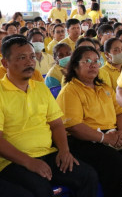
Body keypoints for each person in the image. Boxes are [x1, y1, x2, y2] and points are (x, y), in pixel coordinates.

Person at [0, 37, 98, 197]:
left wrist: (64, 151)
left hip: (48, 154)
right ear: (5, 64)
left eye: (32, 57)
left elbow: (57, 124)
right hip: (13, 161)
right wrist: (29, 162)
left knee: (88, 175)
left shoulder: (40, 88)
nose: (29, 62)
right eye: (21, 58)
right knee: (41, 189)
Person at [56, 46, 122, 197]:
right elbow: (75, 127)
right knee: (117, 164)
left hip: (112, 134)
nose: (93, 65)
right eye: (87, 61)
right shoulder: (70, 90)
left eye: (97, 61)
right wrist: (105, 138)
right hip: (84, 139)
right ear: (75, 65)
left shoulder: (104, 87)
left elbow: (121, 112)